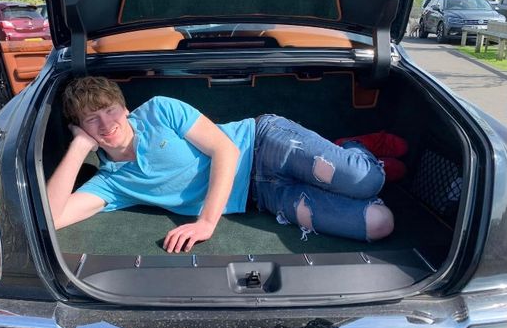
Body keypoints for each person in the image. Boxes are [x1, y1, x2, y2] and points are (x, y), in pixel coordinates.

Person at [47, 76, 403, 253]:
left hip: (263, 143)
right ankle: (343, 163)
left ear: (125, 108)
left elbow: (226, 152)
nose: (106, 124)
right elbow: (54, 217)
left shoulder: (158, 109)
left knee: (365, 180)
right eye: (91, 120)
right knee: (378, 224)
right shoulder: (111, 183)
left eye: (110, 110)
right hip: (265, 197)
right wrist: (79, 148)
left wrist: (204, 222)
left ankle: (356, 147)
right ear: (80, 127)